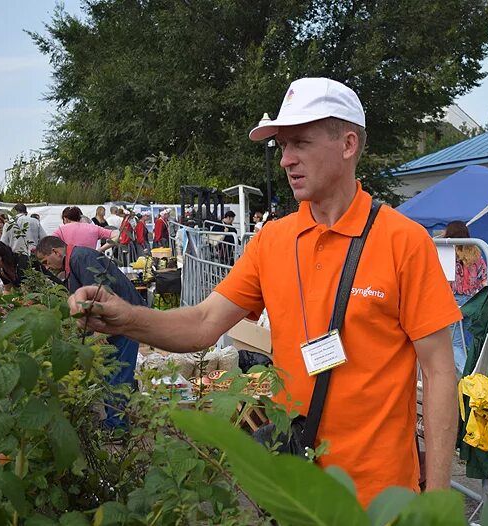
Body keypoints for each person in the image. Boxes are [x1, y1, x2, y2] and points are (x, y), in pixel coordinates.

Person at [67, 77, 460, 506]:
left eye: (300, 143)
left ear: (348, 144)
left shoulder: (403, 241)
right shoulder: (273, 241)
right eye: (282, 146)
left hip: (381, 498)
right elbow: (202, 323)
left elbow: (439, 371)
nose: (286, 160)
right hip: (293, 491)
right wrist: (126, 317)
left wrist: (437, 504)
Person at [36, 235, 146, 428]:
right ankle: (118, 423)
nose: (47, 267)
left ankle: (117, 429)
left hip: (126, 319)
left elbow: (100, 296)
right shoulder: (75, 261)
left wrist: (98, 334)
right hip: (117, 321)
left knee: (118, 376)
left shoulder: (81, 258)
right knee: (113, 373)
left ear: (56, 252)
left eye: (46, 262)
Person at [442, 221, 488, 378]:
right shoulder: (476, 251)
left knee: (455, 344)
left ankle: (468, 378)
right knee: (464, 342)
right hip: (473, 302)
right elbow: (483, 279)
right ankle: (461, 384)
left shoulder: (449, 253)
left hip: (454, 301)